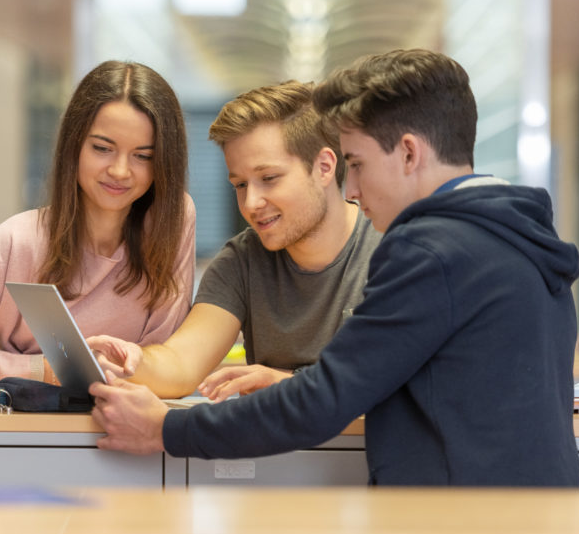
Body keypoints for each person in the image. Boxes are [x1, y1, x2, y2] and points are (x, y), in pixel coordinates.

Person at [89, 48, 579, 487]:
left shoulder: (430, 250)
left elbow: (325, 400)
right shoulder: (513, 235)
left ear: (408, 153)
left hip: (467, 533)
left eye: (359, 164)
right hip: (525, 525)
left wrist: (167, 428)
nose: (353, 188)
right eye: (240, 184)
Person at [0, 60, 196, 392]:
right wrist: (45, 370)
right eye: (102, 148)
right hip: (35, 424)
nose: (119, 170)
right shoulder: (17, 242)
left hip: (132, 421)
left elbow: (170, 363)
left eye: (143, 156)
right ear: (74, 145)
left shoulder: (173, 220)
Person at [88, 80, 381, 399]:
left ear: (324, 167)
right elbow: (181, 364)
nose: (251, 203)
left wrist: (289, 385)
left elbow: (394, 385)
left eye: (269, 178)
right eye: (240, 185)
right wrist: (130, 360)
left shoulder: (392, 249)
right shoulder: (241, 261)